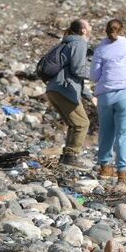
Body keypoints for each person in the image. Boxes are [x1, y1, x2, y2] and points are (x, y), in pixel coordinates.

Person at [89, 18, 126, 183]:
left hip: (106, 95)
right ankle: (122, 172)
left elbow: (93, 76)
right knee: (124, 135)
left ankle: (105, 168)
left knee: (106, 131)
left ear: (106, 31)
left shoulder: (101, 49)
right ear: (123, 31)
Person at [45, 19, 93, 168]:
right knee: (82, 123)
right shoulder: (79, 43)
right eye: (89, 25)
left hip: (54, 88)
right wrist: (98, 74)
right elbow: (78, 70)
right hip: (64, 88)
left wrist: (89, 96)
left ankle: (67, 158)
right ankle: (70, 157)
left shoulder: (67, 43)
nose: (92, 27)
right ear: (83, 30)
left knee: (74, 124)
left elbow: (74, 74)